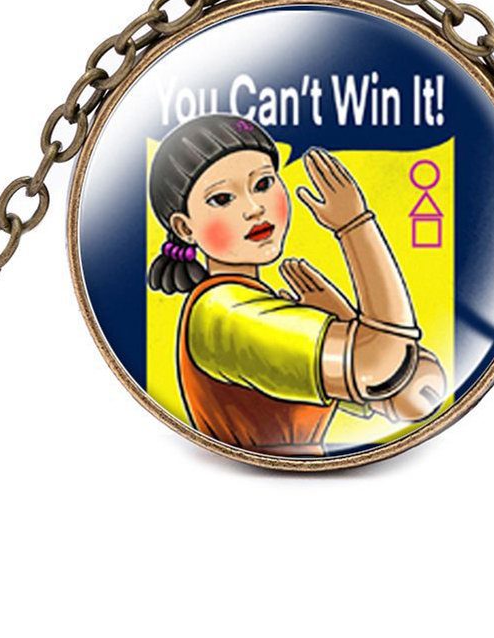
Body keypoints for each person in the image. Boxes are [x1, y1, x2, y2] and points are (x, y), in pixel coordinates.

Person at [147, 113, 446, 457]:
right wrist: (355, 226)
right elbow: (380, 367)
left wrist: (349, 325)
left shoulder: (260, 304)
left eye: (263, 184)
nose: (254, 208)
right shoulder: (223, 313)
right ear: (185, 228)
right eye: (222, 199)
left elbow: (417, 395)